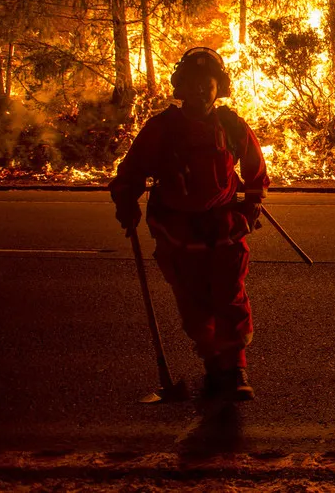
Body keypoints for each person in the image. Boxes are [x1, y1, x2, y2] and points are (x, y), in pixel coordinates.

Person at [109, 46, 269, 401]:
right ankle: (213, 364)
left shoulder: (231, 125)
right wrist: (125, 201)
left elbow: (256, 170)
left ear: (219, 88)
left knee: (230, 298)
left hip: (225, 228)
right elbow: (132, 171)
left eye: (207, 84)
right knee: (193, 303)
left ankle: (236, 367)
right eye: (193, 83)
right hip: (176, 232)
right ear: (181, 87)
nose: (200, 90)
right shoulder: (161, 129)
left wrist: (251, 205)